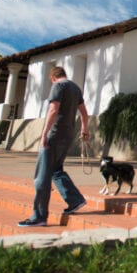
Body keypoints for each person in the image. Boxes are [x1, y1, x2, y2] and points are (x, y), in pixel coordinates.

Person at [18, 66, 91, 227]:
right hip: (68, 134)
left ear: (52, 77)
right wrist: (84, 129)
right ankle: (75, 200)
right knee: (56, 170)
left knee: (42, 175)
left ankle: (39, 216)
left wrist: (44, 133)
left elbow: (53, 109)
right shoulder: (75, 88)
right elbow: (84, 113)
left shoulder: (58, 86)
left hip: (55, 133)